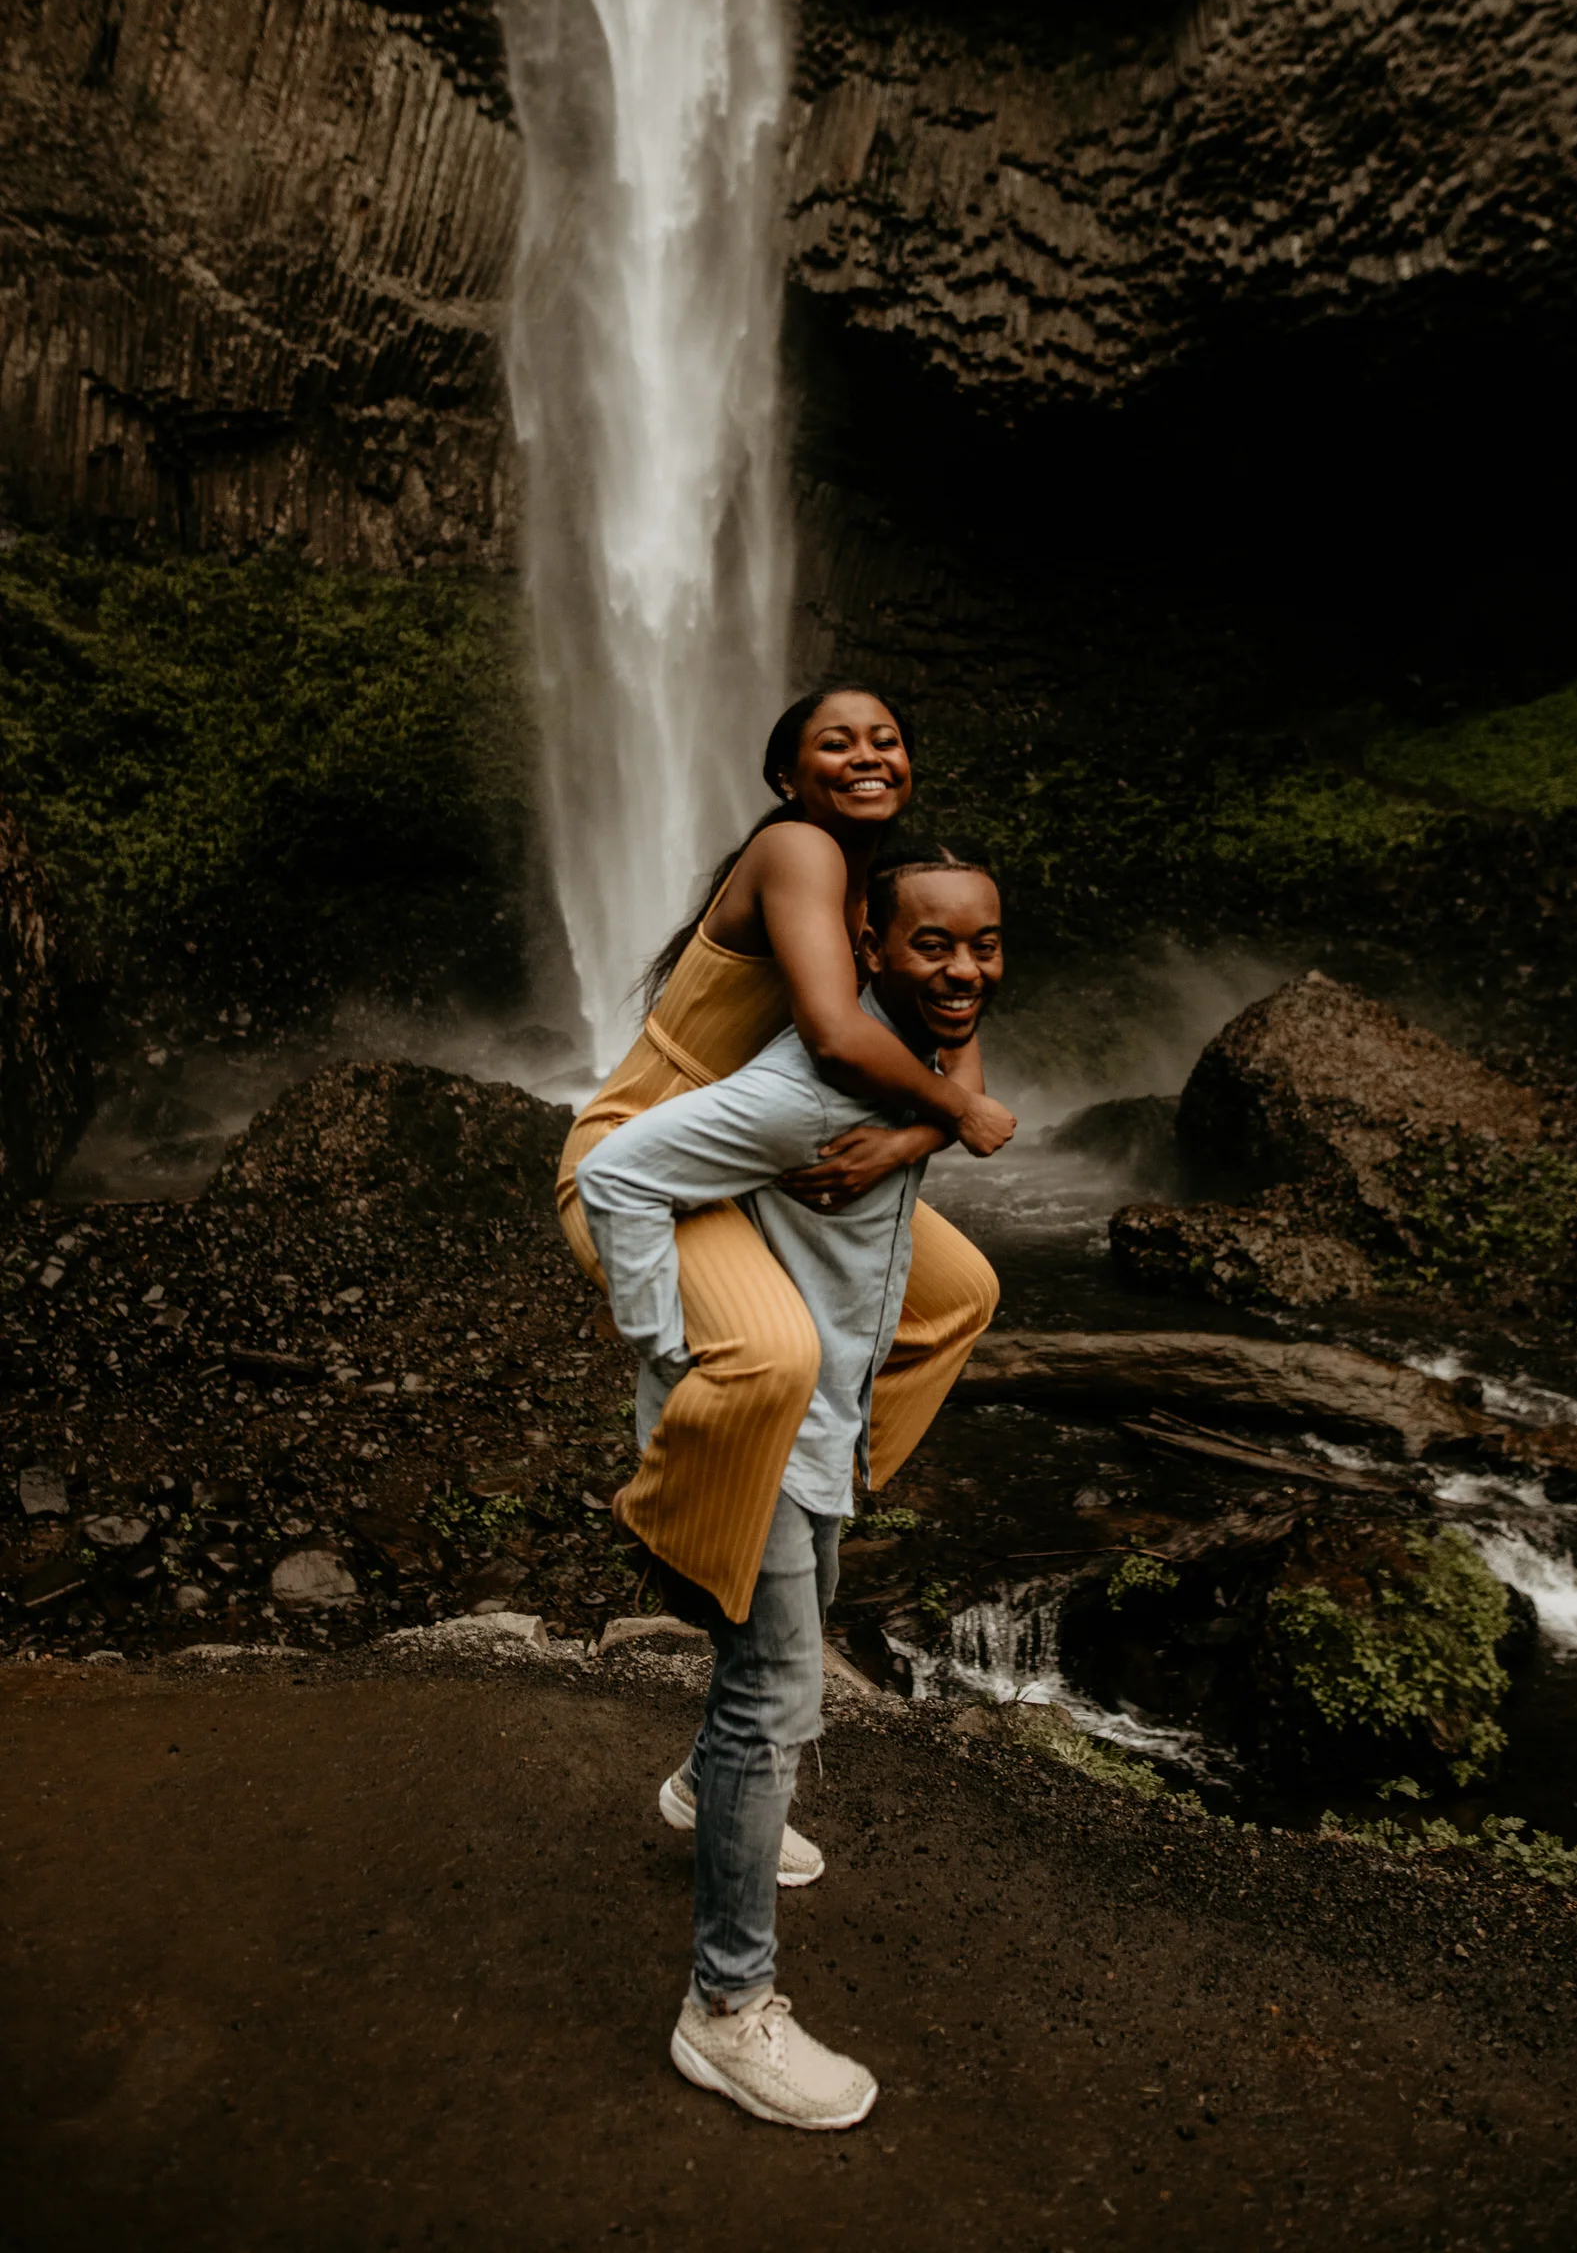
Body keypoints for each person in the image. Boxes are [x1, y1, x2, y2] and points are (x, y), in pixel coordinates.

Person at [575, 853, 1006, 2130]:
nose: (966, 971)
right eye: (933, 948)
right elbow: (614, 1177)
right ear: (864, 947)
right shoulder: (803, 1087)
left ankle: (706, 1791)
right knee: (780, 1688)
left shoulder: (902, 1055)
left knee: (791, 1637)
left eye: (984, 946)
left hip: (818, 1422)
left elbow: (962, 1073)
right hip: (756, 1420)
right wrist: (667, 1352)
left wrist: (929, 1125)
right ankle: (724, 2007)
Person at [555, 687, 1014, 1627]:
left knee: (959, 1297)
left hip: (768, 1155)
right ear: (783, 776)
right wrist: (959, 1114)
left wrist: (913, 1135)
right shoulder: (797, 849)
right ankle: (679, 1517)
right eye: (836, 743)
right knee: (772, 1351)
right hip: (652, 1151)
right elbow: (841, 1037)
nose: (866, 755)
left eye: (886, 739)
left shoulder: (890, 879)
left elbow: (952, 1024)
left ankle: (803, 1483)